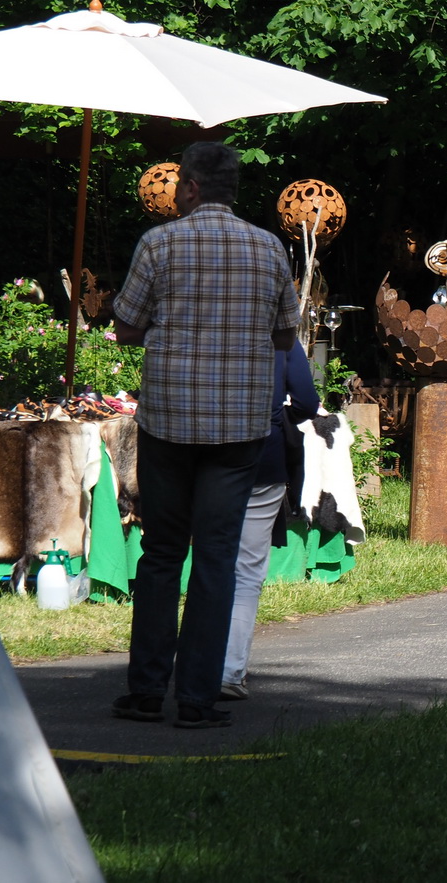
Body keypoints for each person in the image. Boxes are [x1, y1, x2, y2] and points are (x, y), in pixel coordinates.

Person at [109, 142, 298, 729]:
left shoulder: (158, 244)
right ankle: (196, 700)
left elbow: (125, 328)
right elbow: (286, 338)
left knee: (163, 551)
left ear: (189, 186)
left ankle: (144, 693)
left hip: (168, 425)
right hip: (239, 431)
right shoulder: (269, 248)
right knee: (217, 557)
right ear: (233, 189)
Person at [219, 340, 320, 701]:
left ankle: (195, 667)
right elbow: (308, 402)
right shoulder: (281, 336)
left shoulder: (201, 325)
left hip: (208, 456)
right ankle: (229, 671)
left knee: (209, 564)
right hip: (265, 455)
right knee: (247, 571)